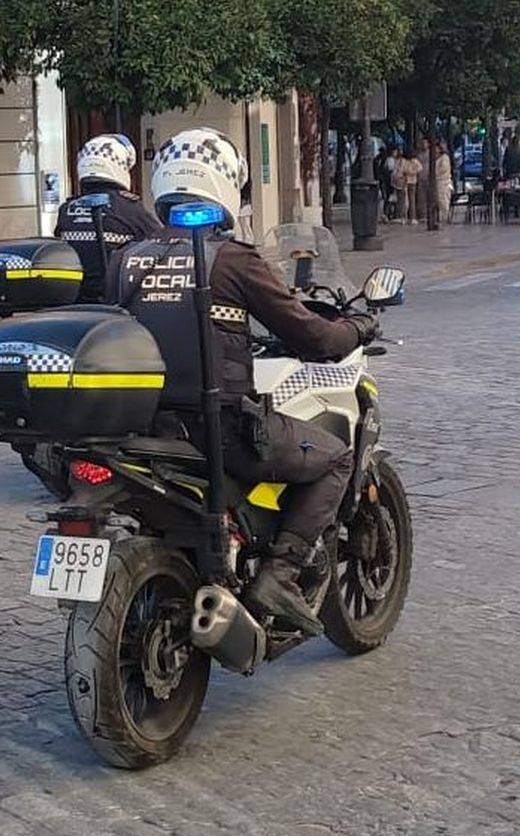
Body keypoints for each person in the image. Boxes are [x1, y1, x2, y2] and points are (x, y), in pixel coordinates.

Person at [107, 127, 379, 635]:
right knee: (336, 458)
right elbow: (313, 338)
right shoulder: (232, 258)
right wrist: (358, 326)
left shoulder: (127, 260)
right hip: (220, 433)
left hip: (147, 430)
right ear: (226, 182)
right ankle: (280, 573)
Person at [54, 134, 160, 300]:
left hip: (74, 300)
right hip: (115, 302)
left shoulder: (66, 209)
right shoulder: (130, 209)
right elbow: (160, 242)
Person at [400, 145, 423, 225]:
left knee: (410, 200)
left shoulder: (412, 161)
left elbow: (419, 168)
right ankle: (407, 217)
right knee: (408, 200)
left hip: (410, 181)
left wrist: (411, 172)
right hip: (408, 181)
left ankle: (411, 217)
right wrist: (413, 172)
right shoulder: (406, 161)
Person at [434, 141, 454, 220]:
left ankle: (444, 217)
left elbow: (443, 169)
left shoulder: (444, 157)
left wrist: (435, 173)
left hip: (443, 182)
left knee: (443, 200)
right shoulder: (437, 158)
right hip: (437, 182)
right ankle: (440, 217)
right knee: (438, 200)